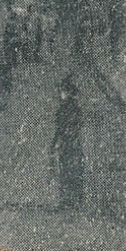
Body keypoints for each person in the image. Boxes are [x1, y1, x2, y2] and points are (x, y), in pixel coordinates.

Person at [51, 74, 85, 209]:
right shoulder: (75, 108)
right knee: (73, 169)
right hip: (74, 142)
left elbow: (60, 128)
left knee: (66, 170)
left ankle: (68, 200)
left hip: (68, 142)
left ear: (67, 92)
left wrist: (54, 143)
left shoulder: (65, 108)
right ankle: (76, 199)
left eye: (62, 91)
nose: (60, 94)